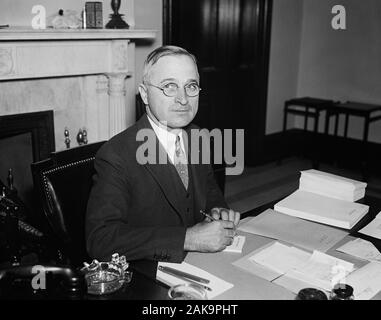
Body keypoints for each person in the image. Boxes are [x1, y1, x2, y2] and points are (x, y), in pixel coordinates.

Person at [86, 45, 240, 263]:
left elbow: (209, 190)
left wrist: (218, 211)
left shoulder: (197, 136)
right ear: (145, 94)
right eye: (170, 86)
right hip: (147, 276)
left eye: (191, 86)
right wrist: (187, 239)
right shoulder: (116, 155)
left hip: (202, 264)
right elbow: (101, 241)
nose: (183, 99)